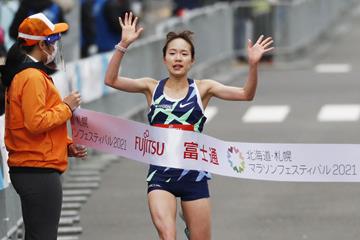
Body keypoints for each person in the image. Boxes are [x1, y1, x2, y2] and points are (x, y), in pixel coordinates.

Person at [104, 12, 273, 240]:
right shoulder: (151, 87)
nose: (178, 58)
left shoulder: (203, 89)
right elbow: (111, 80)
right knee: (167, 234)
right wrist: (123, 44)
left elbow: (246, 94)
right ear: (164, 59)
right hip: (160, 175)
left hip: (194, 176)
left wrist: (253, 65)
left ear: (192, 61)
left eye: (184, 54)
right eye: (172, 53)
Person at [0, 13, 87, 240]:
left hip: (34, 166)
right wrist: (67, 107)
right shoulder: (31, 76)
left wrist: (66, 146)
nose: (57, 46)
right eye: (53, 41)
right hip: (36, 169)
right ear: (41, 44)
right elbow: (36, 122)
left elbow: (33, 124)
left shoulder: (28, 74)